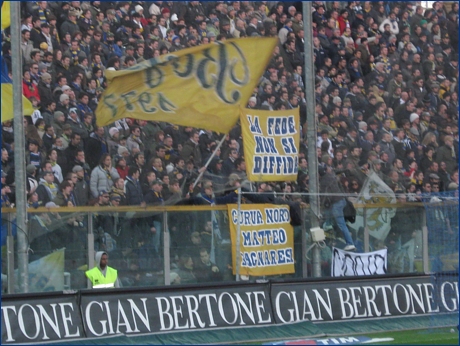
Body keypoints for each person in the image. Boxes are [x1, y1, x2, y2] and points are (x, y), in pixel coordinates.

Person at [319, 164, 356, 251]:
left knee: (341, 224)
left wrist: (321, 205)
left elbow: (324, 196)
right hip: (342, 200)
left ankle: (350, 243)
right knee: (337, 222)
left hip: (336, 203)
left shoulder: (324, 181)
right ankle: (332, 233)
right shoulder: (332, 175)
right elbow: (335, 172)